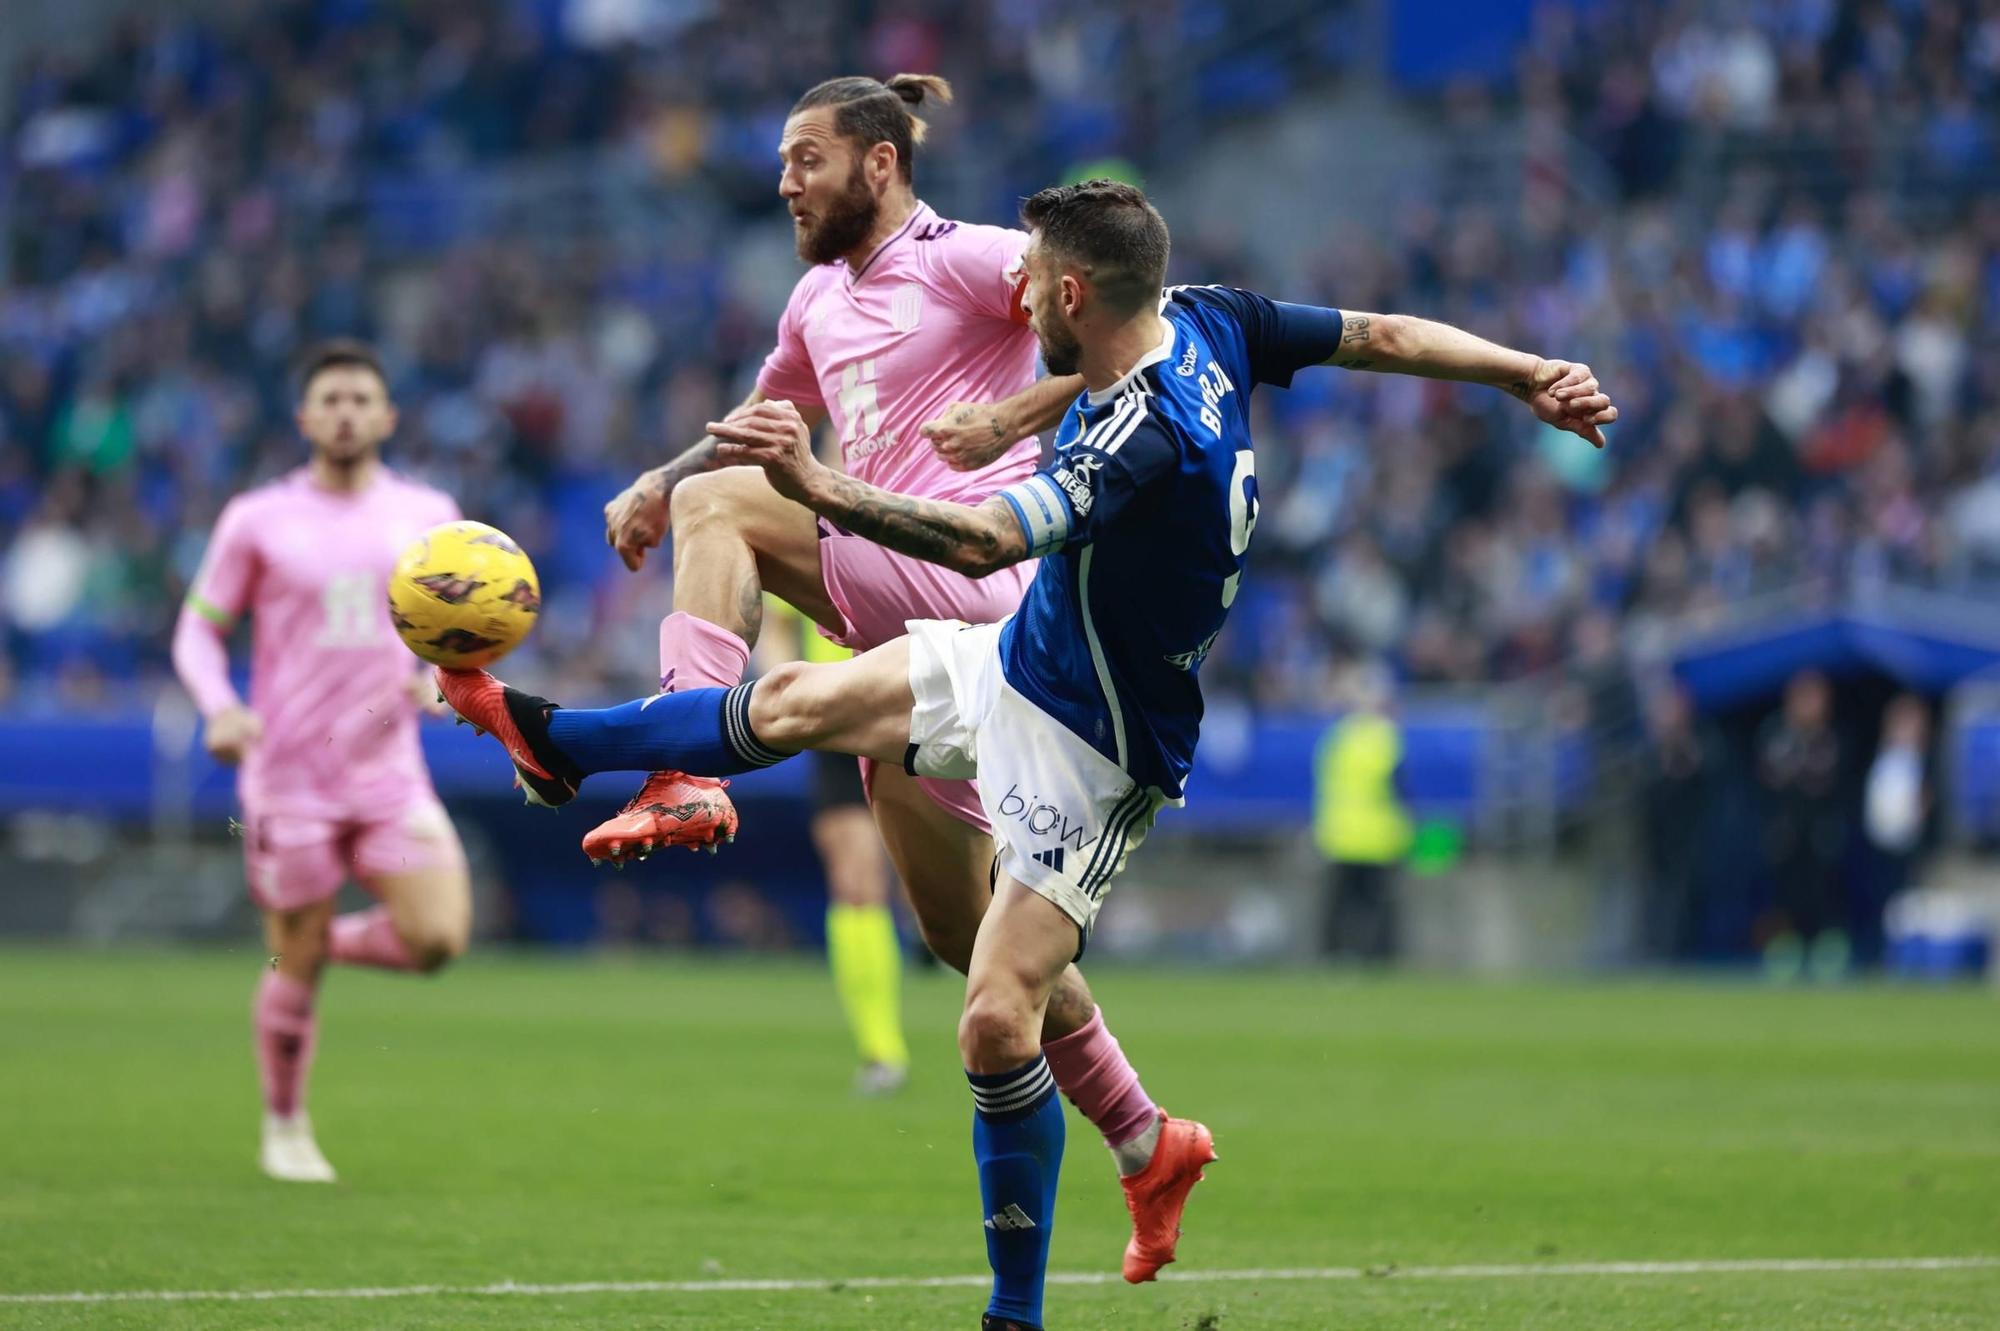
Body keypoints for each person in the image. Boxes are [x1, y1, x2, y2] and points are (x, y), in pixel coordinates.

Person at [434, 180, 1616, 1329]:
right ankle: (544, 735)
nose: (1018, 298)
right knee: (791, 699)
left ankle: (1019, 1309)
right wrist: (1524, 373)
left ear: (1063, 293)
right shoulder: (1206, 316)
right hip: (1014, 659)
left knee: (993, 1018)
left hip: (1094, 752)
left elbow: (978, 529)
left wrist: (814, 483)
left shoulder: (1143, 441)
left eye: (1030, 283)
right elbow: (1379, 332)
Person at [593, 76, 1202, 1273]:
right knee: (967, 940)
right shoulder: (816, 297)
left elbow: (1145, 332)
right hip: (912, 644)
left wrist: (1009, 416)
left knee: (730, 506)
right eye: (778, 161)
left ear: (878, 163)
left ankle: (676, 758)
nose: (781, 181)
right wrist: (663, 475)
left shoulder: (971, 257)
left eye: (804, 158)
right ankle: (1146, 1136)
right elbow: (761, 421)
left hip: (984, 585)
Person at [171, 340, 470, 1183]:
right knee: (293, 953)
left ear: (387, 416)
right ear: (304, 418)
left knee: (439, 935)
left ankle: (312, 945)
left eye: (359, 398)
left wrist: (447, 680)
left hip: (388, 773)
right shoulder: (256, 518)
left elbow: (459, 627)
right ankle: (285, 1124)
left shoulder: (430, 510)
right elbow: (197, 628)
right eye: (329, 399)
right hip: (288, 775)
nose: (344, 411)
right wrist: (219, 706)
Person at [766, 596, 911, 1094]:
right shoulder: (795, 527)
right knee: (856, 883)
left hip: (909, 708)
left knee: (944, 894)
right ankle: (881, 1050)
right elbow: (778, 624)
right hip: (832, 720)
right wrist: (786, 686)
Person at [1314, 664, 1412, 960]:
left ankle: (1333, 956)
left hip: (1339, 834)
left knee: (1338, 904)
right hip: (1378, 837)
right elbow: (1400, 787)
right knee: (1378, 904)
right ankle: (1380, 957)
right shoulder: (1385, 737)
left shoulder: (1336, 738)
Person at [1756, 670, 1849, 980]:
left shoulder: (1833, 737)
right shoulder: (1776, 734)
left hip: (1821, 833)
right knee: (1785, 896)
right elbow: (1771, 779)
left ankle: (1826, 954)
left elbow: (1827, 783)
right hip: (1786, 833)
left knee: (1824, 894)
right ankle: (1785, 953)